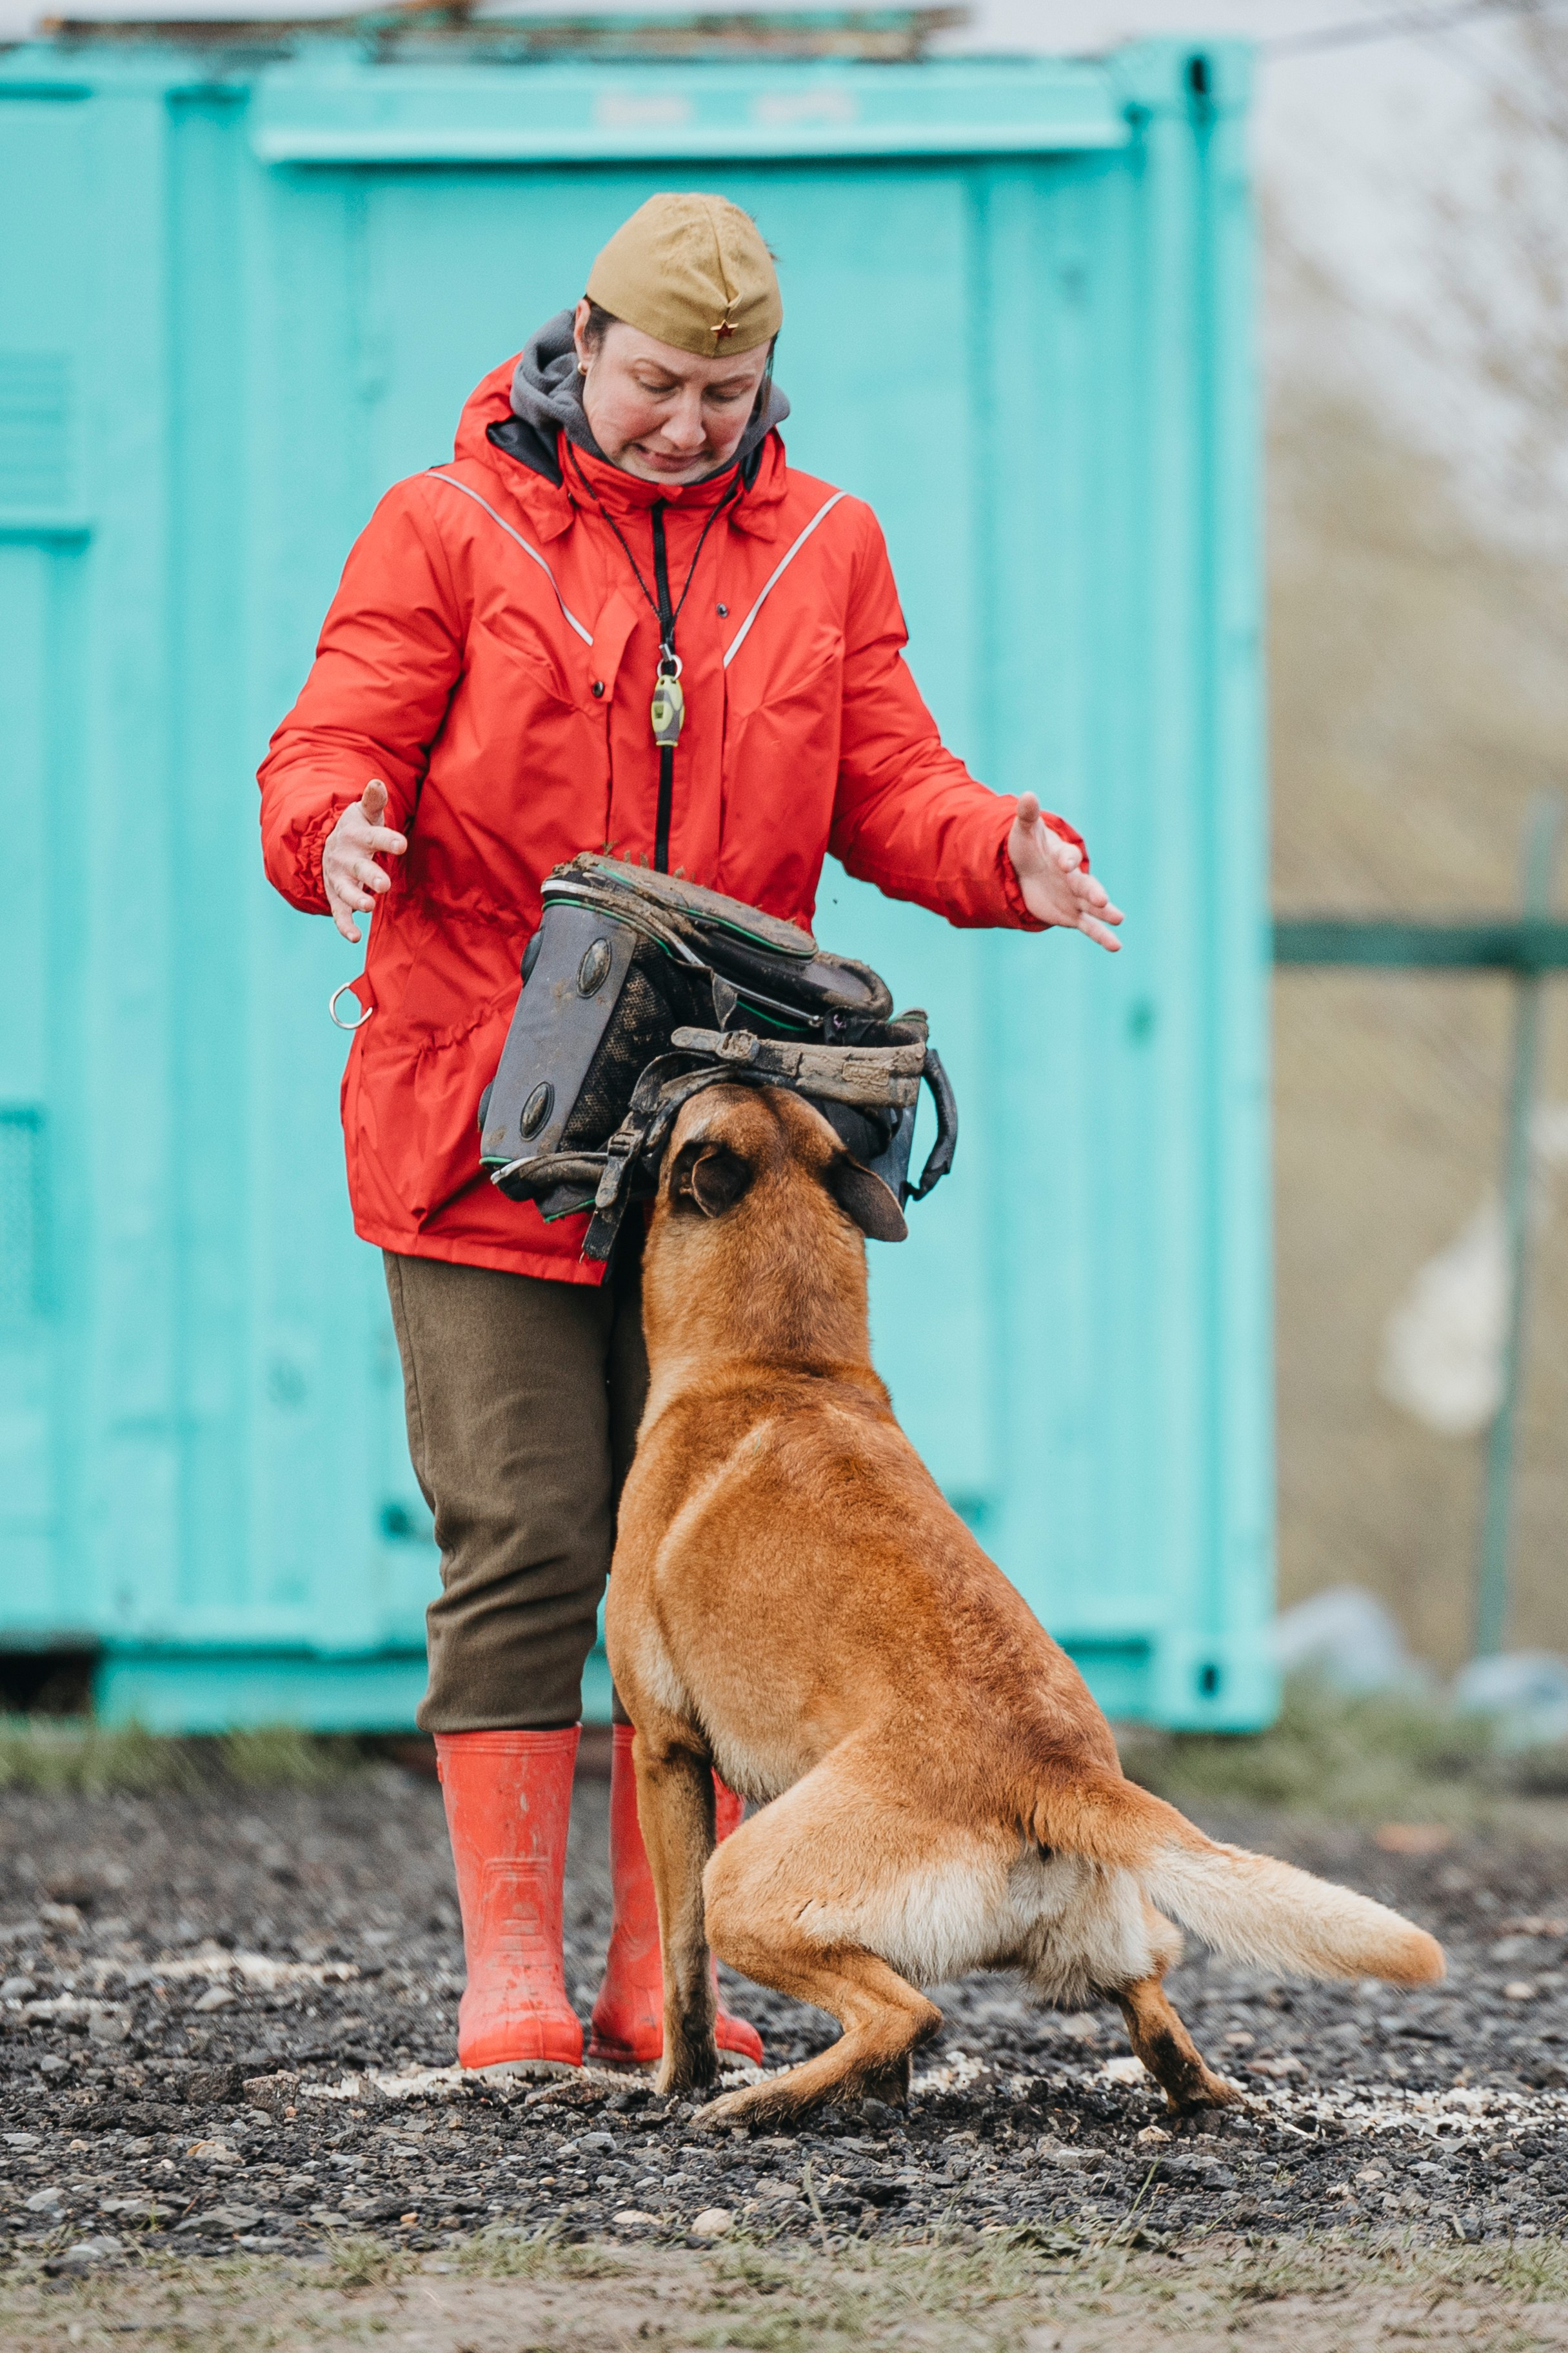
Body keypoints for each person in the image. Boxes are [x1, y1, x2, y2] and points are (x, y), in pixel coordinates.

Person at [259, 191, 1122, 2079]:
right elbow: (329, 734)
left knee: (720, 1571)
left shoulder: (825, 542)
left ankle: (678, 1972)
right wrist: (327, 826)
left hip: (719, 1166)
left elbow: (892, 780)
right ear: (585, 344)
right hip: (480, 1122)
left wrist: (1008, 857)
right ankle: (514, 1975)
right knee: (528, 1535)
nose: (685, 421)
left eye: (724, 393)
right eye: (658, 383)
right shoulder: (446, 522)